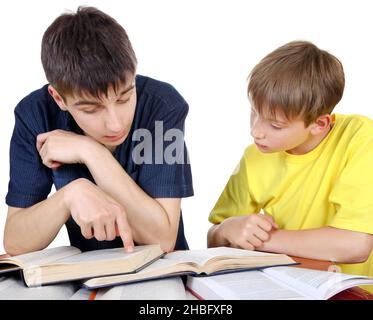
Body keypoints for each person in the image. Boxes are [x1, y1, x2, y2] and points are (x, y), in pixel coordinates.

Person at [4, 6, 193, 256]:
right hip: (87, 277)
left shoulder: (162, 106)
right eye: (92, 109)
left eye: (125, 98)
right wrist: (69, 196)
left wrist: (91, 152)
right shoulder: (34, 115)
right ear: (59, 99)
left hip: (162, 271)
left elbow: (162, 239)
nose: (115, 124)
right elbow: (16, 241)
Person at [207, 41, 373, 288]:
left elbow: (355, 244)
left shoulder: (361, 138)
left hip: (352, 292)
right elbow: (216, 239)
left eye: (275, 125)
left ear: (319, 124)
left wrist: (262, 241)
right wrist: (226, 229)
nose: (255, 131)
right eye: (254, 111)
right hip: (287, 288)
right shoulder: (254, 157)